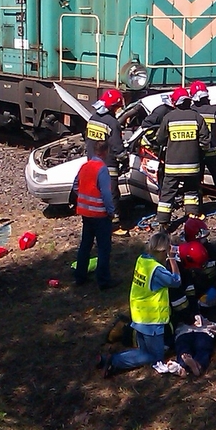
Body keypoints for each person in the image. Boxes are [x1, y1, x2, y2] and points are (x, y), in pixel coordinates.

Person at [99, 232, 182, 377]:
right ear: (163, 251)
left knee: (143, 351)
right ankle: (114, 361)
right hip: (152, 319)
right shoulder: (157, 271)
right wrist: (172, 259)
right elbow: (176, 281)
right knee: (154, 357)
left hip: (139, 315)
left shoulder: (142, 260)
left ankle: (105, 359)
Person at [154, 87, 210, 231]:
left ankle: (163, 223)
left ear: (175, 102)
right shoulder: (197, 117)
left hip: (173, 166)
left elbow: (160, 139)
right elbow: (205, 141)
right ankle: (192, 217)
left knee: (168, 193)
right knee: (191, 190)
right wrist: (198, 151)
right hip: (193, 165)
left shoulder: (168, 118)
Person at [70, 140, 116, 290]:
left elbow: (75, 185)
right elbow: (106, 193)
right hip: (100, 214)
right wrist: (111, 211)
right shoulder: (102, 169)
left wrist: (85, 198)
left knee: (85, 245)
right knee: (104, 248)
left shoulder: (85, 166)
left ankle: (80, 276)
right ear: (105, 152)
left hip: (85, 213)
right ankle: (103, 281)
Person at [85, 88, 127, 220]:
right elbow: (117, 147)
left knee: (97, 193)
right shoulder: (112, 123)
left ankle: (98, 217)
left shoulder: (93, 118)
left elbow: (87, 139)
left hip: (92, 163)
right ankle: (114, 223)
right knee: (111, 194)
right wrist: (125, 159)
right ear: (113, 107)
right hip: (108, 166)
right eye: (117, 107)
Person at [190, 80, 216, 192]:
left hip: (196, 152)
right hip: (213, 151)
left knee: (195, 181)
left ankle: (196, 205)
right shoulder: (215, 111)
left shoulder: (190, 112)